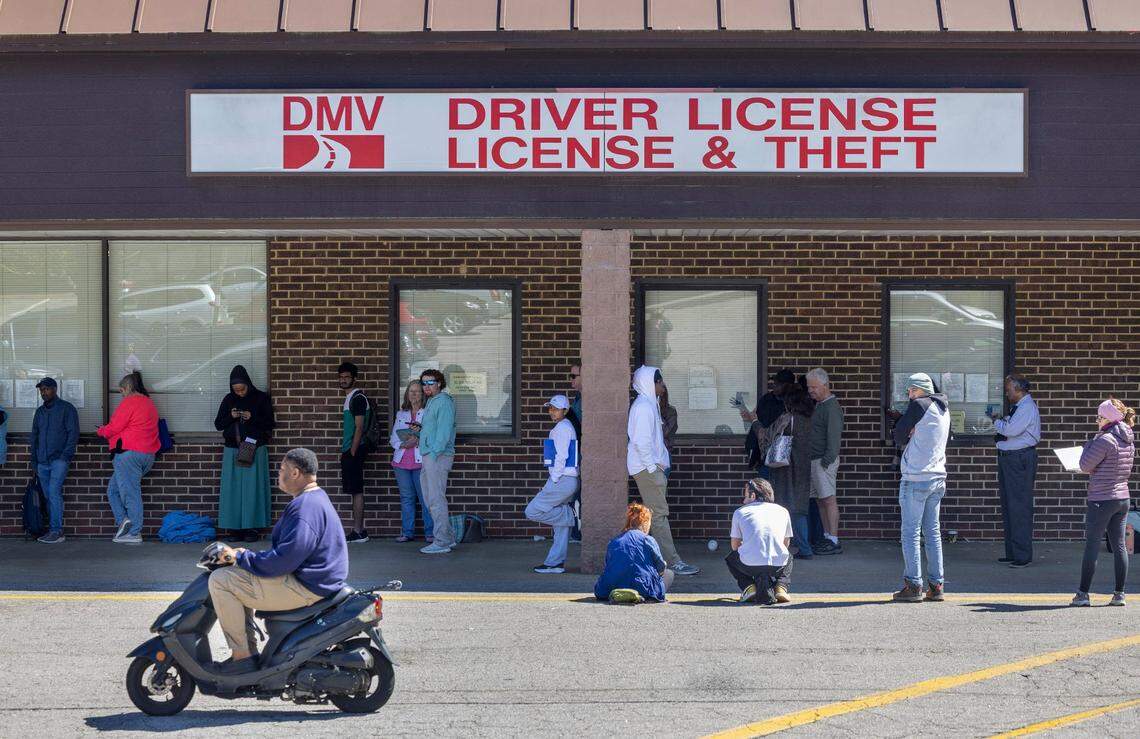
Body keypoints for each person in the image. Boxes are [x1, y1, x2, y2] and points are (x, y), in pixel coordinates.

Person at [209, 448, 348, 674]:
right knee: (239, 574)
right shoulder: (316, 498)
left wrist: (242, 557)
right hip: (316, 581)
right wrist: (246, 557)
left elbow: (285, 560)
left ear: (295, 473)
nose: (279, 474)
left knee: (221, 580)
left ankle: (242, 658)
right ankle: (248, 653)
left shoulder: (304, 508)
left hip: (306, 587)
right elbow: (290, 552)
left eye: (282, 469)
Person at [627, 365, 699, 576]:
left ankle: (648, 560)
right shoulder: (643, 407)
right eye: (660, 382)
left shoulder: (649, 404)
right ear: (650, 384)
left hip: (651, 468)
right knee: (659, 515)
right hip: (647, 469)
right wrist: (652, 468)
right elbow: (641, 442)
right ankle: (672, 562)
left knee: (653, 516)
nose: (663, 385)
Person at [889, 373, 950, 603]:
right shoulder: (943, 408)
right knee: (932, 533)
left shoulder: (919, 405)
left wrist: (906, 427)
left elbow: (898, 435)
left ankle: (913, 585)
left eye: (913, 390)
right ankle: (936, 585)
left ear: (923, 389)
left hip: (916, 477)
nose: (910, 395)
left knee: (910, 534)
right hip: (937, 476)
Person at [1071, 398, 1134, 607]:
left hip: (1102, 499)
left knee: (1092, 545)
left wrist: (1091, 441)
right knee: (1119, 546)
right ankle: (1119, 594)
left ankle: (1082, 595)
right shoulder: (1128, 438)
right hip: (1122, 498)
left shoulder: (1105, 439)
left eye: (1099, 417)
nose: (1097, 420)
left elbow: (1084, 465)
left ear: (1108, 418)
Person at [214, 365, 275, 544]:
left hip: (254, 448)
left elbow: (270, 423)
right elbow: (218, 424)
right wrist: (232, 416)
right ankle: (234, 528)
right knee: (232, 490)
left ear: (248, 384)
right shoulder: (228, 399)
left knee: (253, 489)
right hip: (233, 448)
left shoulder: (261, 398)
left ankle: (252, 528)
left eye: (242, 389)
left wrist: (252, 416)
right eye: (236, 390)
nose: (239, 393)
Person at [97, 372, 160, 544]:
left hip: (129, 454)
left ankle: (134, 532)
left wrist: (101, 431)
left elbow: (114, 427)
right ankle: (124, 521)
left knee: (131, 493)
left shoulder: (130, 402)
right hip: (147, 455)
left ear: (127, 388)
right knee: (113, 491)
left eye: (121, 391)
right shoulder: (149, 403)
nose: (122, 395)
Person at [525, 395, 580, 573]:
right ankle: (555, 563)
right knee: (561, 527)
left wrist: (554, 479)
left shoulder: (562, 428)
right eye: (550, 408)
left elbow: (562, 456)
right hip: (568, 480)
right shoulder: (565, 426)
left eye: (556, 409)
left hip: (562, 479)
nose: (552, 411)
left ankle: (569, 515)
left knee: (532, 511)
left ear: (565, 410)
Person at [991, 373, 1041, 568]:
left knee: (1018, 507)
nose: (1007, 393)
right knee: (1009, 506)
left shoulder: (1026, 407)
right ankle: (1013, 552)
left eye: (1009, 390)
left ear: (1019, 389)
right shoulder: (1020, 407)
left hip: (1019, 459)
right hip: (1011, 458)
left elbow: (1011, 430)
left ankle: (1022, 555)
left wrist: (996, 422)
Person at [761, 384, 814, 558]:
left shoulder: (787, 418)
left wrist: (754, 423)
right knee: (800, 509)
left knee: (785, 508)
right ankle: (803, 546)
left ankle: (801, 548)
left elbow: (768, 435)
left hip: (786, 469)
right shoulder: (810, 418)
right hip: (804, 467)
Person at [726, 478, 794, 605]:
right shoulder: (783, 511)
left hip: (749, 566)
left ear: (753, 495)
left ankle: (749, 587)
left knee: (731, 558)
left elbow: (735, 547)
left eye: (745, 496)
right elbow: (786, 544)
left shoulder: (740, 512)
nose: (743, 501)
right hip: (777, 565)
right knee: (788, 557)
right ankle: (781, 587)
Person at [29, 377, 79, 544]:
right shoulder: (40, 412)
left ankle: (56, 531)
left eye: (46, 389)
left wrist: (65, 456)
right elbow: (34, 437)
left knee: (53, 493)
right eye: (41, 390)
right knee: (48, 495)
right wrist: (34, 460)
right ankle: (54, 530)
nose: (43, 392)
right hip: (42, 462)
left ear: (55, 389)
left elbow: (73, 433)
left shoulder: (67, 409)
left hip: (59, 460)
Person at [593, 503, 675, 603]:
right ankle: (651, 596)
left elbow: (608, 565)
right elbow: (660, 566)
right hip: (643, 588)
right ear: (645, 523)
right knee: (669, 573)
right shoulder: (648, 539)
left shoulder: (614, 541)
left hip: (610, 588)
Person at [418, 368, 457, 554]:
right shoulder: (432, 401)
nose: (426, 386)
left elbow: (444, 431)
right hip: (429, 454)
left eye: (430, 382)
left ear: (439, 383)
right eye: (423, 383)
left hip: (437, 456)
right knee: (430, 498)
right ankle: (448, 537)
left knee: (435, 499)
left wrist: (434, 453)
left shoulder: (443, 402)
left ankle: (441, 541)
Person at [806, 367, 844, 555]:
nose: (810, 391)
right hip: (815, 460)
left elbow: (834, 438)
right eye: (809, 387)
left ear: (825, 385)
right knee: (821, 501)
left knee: (828, 500)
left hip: (823, 461)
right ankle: (827, 536)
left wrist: (826, 462)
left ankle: (834, 539)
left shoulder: (831, 407)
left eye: (814, 387)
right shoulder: (820, 405)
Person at [391, 379, 433, 543]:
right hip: (401, 462)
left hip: (421, 462)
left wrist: (419, 440)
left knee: (425, 498)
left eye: (417, 391)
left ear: (423, 395)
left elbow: (432, 437)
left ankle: (430, 533)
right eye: (411, 391)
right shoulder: (401, 414)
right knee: (406, 498)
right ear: (407, 394)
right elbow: (393, 438)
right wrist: (403, 444)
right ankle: (407, 532)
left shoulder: (428, 412)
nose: (414, 394)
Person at [337, 361, 371, 544]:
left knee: (357, 491)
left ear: (354, 378)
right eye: (341, 377)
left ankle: (359, 532)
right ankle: (357, 531)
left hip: (355, 450)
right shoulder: (350, 397)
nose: (343, 380)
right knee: (354, 490)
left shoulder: (357, 398)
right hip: (350, 450)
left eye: (347, 377)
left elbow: (359, 427)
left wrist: (352, 452)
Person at [741, 369, 797, 479]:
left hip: (785, 457)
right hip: (764, 455)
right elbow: (758, 422)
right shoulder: (766, 399)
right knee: (766, 487)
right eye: (774, 383)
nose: (774, 386)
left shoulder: (794, 403)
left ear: (787, 386)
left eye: (777, 384)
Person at [567, 361, 583, 543]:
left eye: (574, 376)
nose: (570, 379)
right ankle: (576, 532)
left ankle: (579, 532)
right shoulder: (578, 398)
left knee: (581, 494)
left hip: (583, 454)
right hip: (575, 453)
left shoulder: (587, 400)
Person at [659, 384, 678, 478]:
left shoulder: (671, 411)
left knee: (661, 483)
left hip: (664, 453)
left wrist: (657, 413)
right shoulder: (646, 409)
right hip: (649, 455)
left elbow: (665, 432)